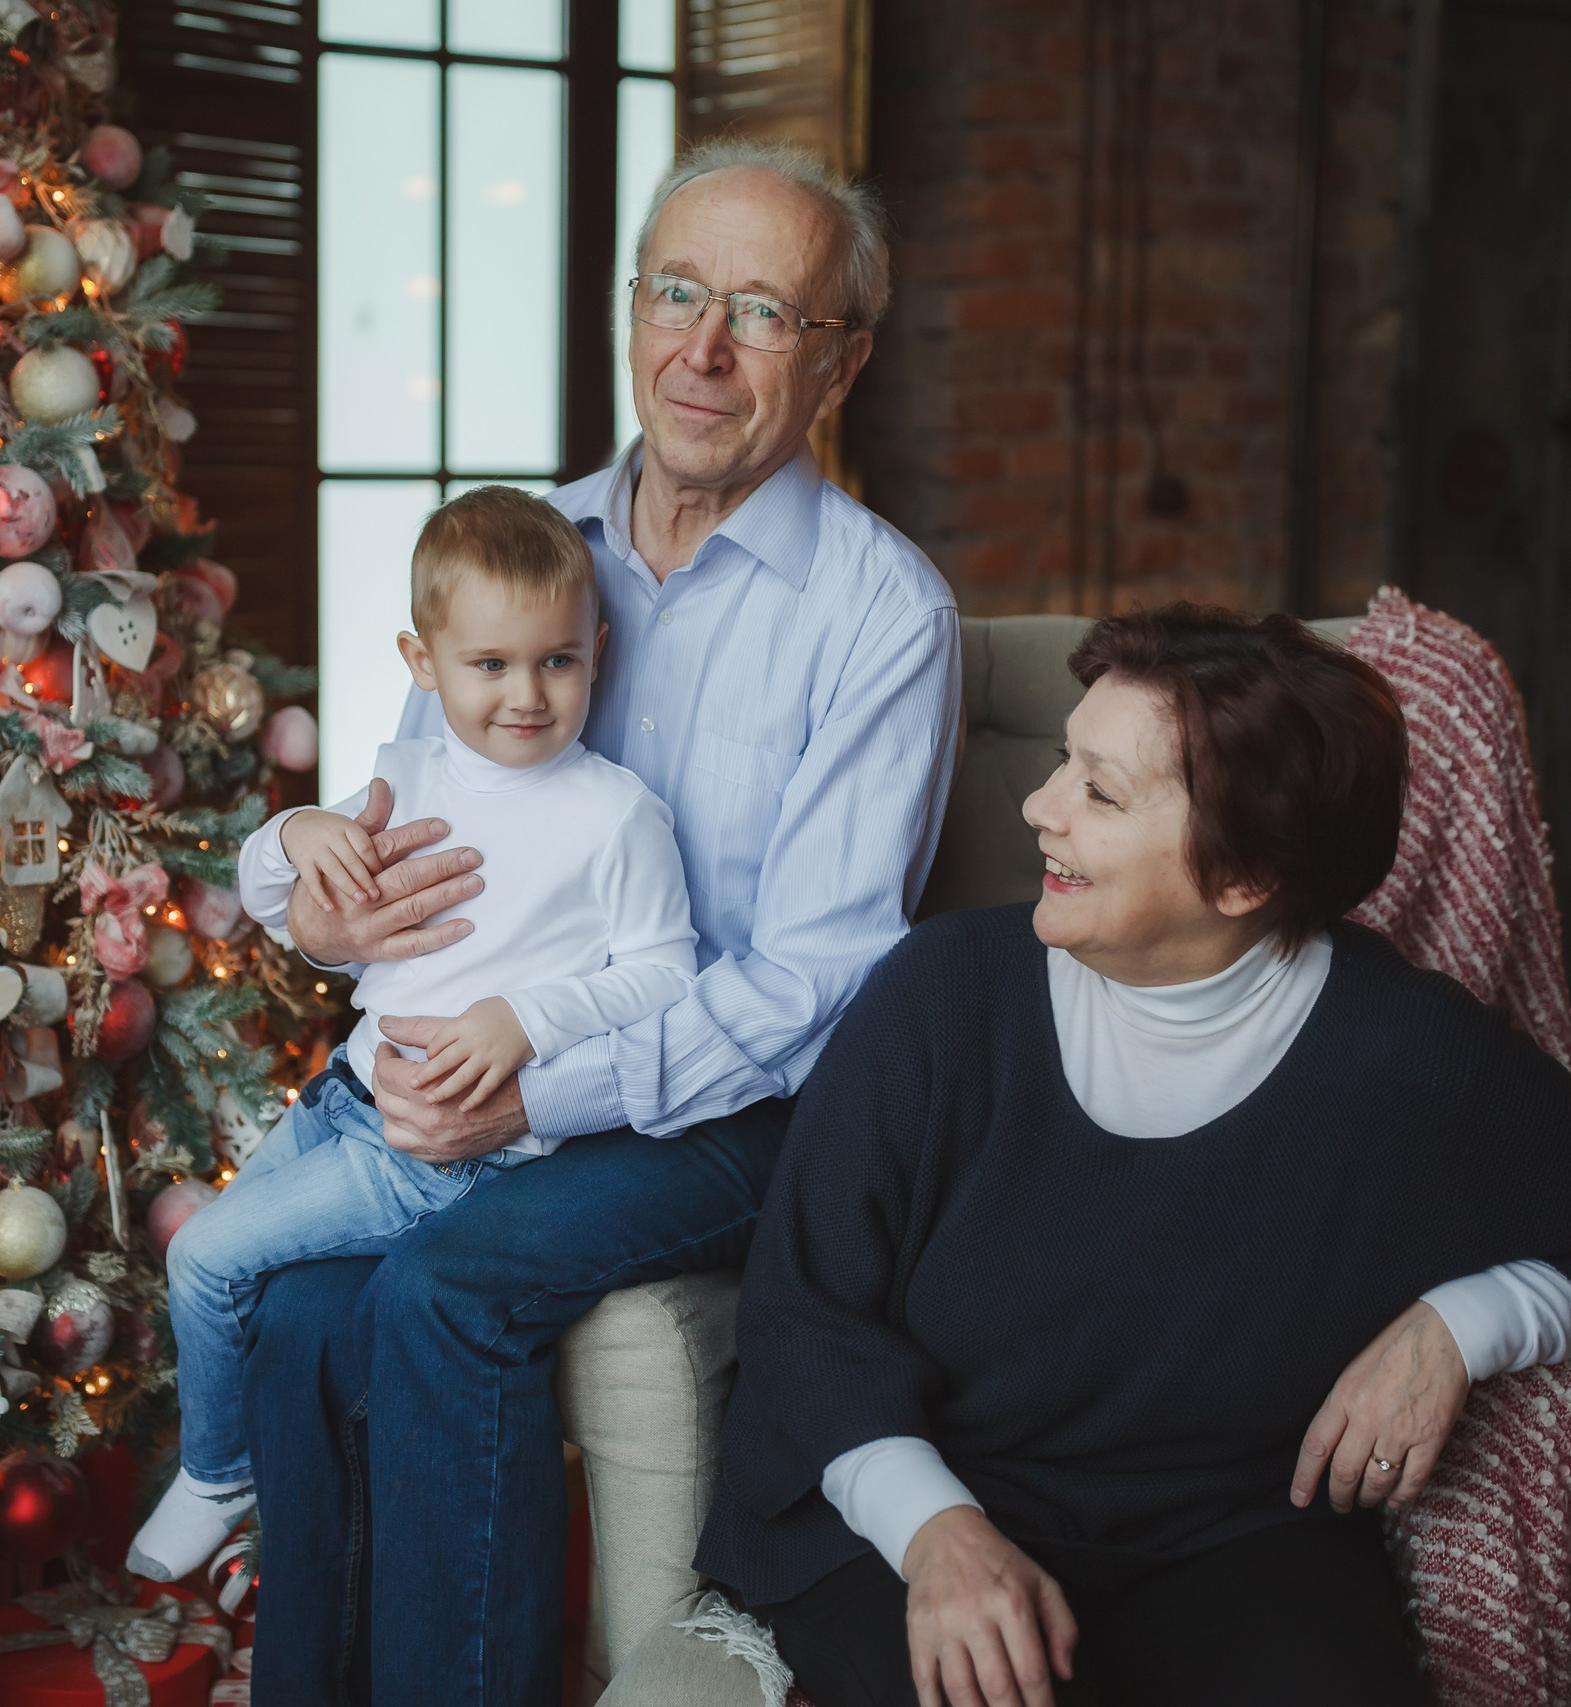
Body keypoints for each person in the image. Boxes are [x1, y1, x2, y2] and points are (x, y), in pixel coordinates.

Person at [697, 605, 1571, 1707]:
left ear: (1243, 880)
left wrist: (1460, 1326)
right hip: (915, 1502)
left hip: (1225, 1537)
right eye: (1061, 763)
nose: (1041, 809)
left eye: (1099, 791)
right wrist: (936, 1534)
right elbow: (804, 1316)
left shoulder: (1404, 1052)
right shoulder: (940, 995)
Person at [242, 141, 964, 1707]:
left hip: (740, 1106)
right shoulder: (526, 552)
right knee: (297, 1311)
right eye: (677, 291)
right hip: (492, 1076)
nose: (702, 348)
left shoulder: (880, 610)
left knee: (452, 1289)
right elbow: (395, 838)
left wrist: (537, 1088)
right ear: (634, 309)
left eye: (763, 312)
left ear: (837, 364)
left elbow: (817, 984)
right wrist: (308, 888)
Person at [128, 486, 699, 1583]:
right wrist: (301, 830)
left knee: (204, 1256)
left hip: (440, 1152)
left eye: (558, 662)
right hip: (342, 1098)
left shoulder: (616, 813)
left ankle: (217, 1473)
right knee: (229, 1271)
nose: (526, 696)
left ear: (598, 650)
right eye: (488, 665)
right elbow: (261, 886)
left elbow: (665, 970)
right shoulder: (411, 773)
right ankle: (258, 1495)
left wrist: (521, 1021)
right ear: (423, 660)